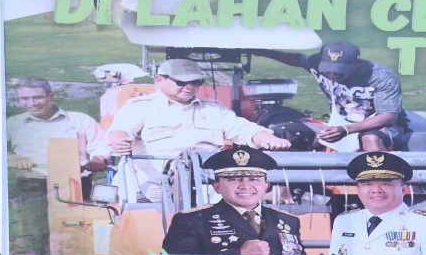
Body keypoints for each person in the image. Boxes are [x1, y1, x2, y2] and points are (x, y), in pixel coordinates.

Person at [107, 59, 296, 199]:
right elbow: (121, 131)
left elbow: (241, 128)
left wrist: (263, 137)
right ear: (159, 80)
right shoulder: (140, 106)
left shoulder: (214, 108)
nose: (189, 87)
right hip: (152, 183)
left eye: (196, 82)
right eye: (181, 82)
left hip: (205, 183)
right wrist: (120, 140)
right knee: (144, 222)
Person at [261, 42, 423, 151]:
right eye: (328, 70)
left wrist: (347, 130)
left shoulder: (381, 76)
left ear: (357, 64)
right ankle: (285, 194)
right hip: (338, 122)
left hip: (376, 125)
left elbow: (388, 117)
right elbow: (296, 59)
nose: (332, 75)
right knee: (278, 134)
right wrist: (260, 52)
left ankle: (377, 186)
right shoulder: (315, 63)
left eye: (340, 71)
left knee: (371, 139)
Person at [163, 146, 305, 255]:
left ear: (266, 187)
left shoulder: (288, 221)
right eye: (234, 179)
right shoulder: (190, 220)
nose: (245, 186)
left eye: (254, 179)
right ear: (217, 187)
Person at [326, 153, 426, 255]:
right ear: (358, 190)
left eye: (386, 184)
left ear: (403, 189)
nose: (376, 190)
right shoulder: (344, 221)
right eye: (367, 184)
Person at [7, 79, 111, 179]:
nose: (32, 103)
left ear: (51, 96)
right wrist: (11, 157)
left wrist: (98, 159)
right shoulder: (11, 124)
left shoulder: (81, 120)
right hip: (29, 186)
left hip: (76, 184)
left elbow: (100, 146)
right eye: (25, 98)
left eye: (37, 97)